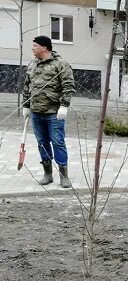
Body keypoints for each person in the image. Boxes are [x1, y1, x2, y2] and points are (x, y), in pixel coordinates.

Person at [22, 35, 75, 188]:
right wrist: (26, 105)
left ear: (44, 47)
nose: (32, 48)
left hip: (54, 113)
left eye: (35, 46)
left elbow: (68, 86)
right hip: (36, 113)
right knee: (42, 143)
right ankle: (48, 174)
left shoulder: (61, 64)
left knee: (58, 142)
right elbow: (27, 86)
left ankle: (64, 176)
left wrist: (64, 106)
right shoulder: (32, 65)